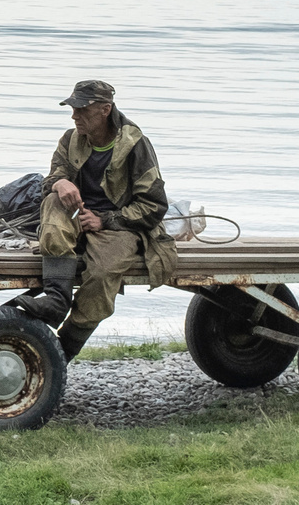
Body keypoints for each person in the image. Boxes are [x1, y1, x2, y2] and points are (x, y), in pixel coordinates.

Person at [13, 79, 177, 356]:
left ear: (105, 110)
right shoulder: (70, 139)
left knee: (101, 276)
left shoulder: (136, 145)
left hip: (121, 226)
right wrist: (59, 183)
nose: (74, 116)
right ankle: (56, 300)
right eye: (73, 109)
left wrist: (106, 220)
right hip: (77, 215)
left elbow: (153, 205)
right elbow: (51, 179)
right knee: (53, 201)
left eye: (82, 109)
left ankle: (62, 350)